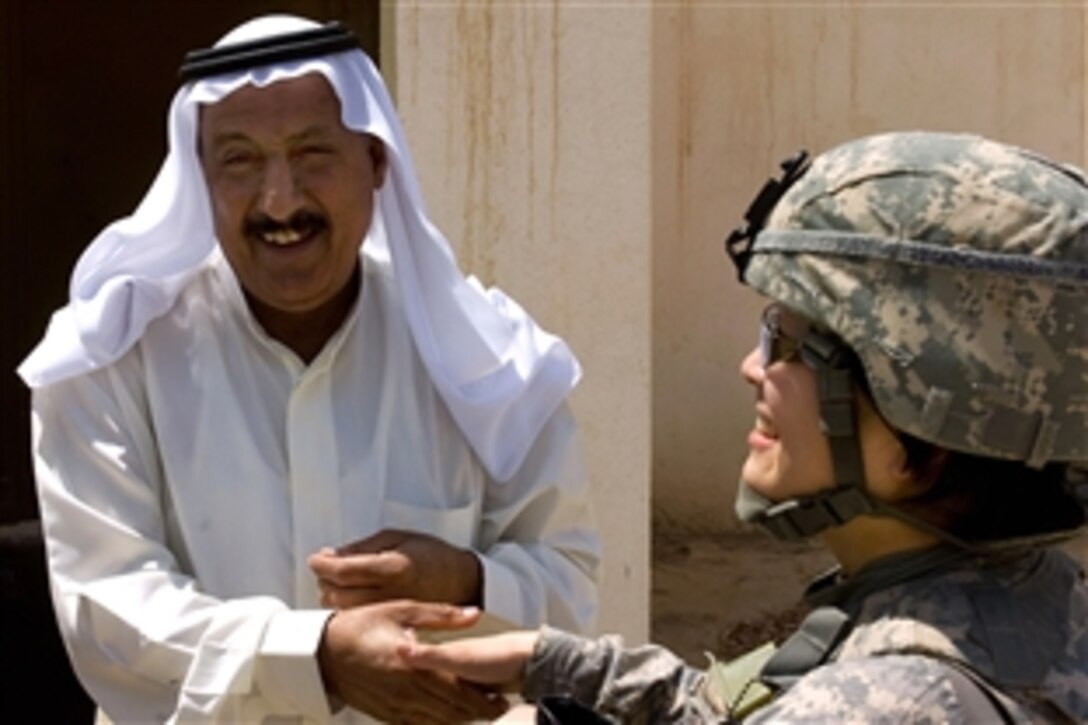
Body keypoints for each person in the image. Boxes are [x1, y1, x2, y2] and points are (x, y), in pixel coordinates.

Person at [19, 14, 600, 724]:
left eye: (313, 153)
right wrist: (315, 655)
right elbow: (108, 605)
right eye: (239, 160)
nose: (280, 200)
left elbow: (569, 586)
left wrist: (467, 580)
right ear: (198, 177)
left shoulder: (487, 357)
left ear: (377, 161)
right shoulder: (108, 358)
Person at [399, 131, 1088, 723]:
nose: (752, 368)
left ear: (925, 432)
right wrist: (561, 665)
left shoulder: (883, 702)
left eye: (789, 347)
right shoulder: (1026, 594)